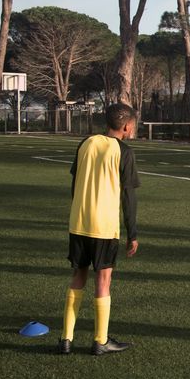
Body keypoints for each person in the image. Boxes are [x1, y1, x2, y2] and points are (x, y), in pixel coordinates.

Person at [58, 104, 141, 356]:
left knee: (78, 276)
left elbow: (75, 183)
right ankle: (100, 340)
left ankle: (66, 339)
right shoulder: (124, 151)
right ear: (126, 126)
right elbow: (128, 197)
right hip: (104, 227)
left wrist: (78, 212)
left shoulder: (86, 143)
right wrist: (132, 233)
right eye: (133, 125)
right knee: (103, 281)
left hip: (78, 222)